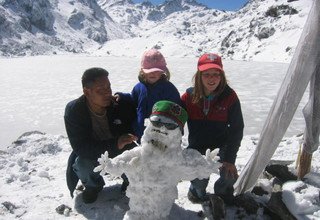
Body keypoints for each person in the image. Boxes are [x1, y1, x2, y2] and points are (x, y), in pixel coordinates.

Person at [64, 67, 137, 204]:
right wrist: (115, 143)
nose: (107, 93)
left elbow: (138, 112)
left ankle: (130, 181)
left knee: (135, 158)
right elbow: (81, 147)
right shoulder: (75, 111)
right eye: (100, 90)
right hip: (94, 154)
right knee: (82, 164)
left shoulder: (119, 105)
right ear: (87, 92)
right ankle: (93, 186)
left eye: (108, 88)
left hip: (120, 151)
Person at [181, 53, 244, 205]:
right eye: (207, 74)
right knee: (199, 181)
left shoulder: (230, 97)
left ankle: (221, 195)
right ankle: (196, 192)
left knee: (230, 177)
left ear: (221, 76)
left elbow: (237, 129)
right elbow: (176, 123)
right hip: (197, 148)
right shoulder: (188, 97)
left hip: (222, 147)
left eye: (216, 74)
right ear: (199, 76)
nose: (212, 78)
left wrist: (229, 159)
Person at [116, 48, 181, 140]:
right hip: (141, 131)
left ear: (163, 71)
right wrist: (122, 97)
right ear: (142, 71)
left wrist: (175, 132)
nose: (152, 73)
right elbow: (133, 100)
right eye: (149, 70)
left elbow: (177, 110)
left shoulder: (169, 89)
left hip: (162, 134)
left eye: (156, 70)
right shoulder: (139, 87)